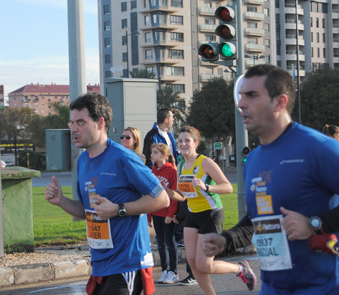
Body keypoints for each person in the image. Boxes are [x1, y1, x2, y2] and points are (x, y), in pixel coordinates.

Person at [202, 64, 339, 294]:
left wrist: (316, 223)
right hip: (273, 288)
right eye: (241, 96)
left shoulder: (318, 148)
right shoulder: (253, 159)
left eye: (252, 96)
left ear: (280, 102)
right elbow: (260, 220)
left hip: (322, 287)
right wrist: (227, 239)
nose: (241, 103)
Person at [45, 93, 170, 295]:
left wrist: (118, 209)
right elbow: (87, 211)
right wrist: (61, 201)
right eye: (72, 122)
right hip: (101, 263)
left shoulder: (123, 158)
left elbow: (162, 198)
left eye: (80, 122)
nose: (73, 128)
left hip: (128, 262)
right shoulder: (83, 161)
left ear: (100, 122)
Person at [165, 126, 256, 294]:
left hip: (211, 214)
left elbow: (228, 187)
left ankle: (239, 269)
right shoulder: (181, 165)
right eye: (180, 141)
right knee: (192, 263)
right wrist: (167, 192)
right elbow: (183, 196)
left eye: (187, 140)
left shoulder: (205, 162)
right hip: (192, 215)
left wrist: (206, 186)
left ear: (196, 143)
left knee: (204, 265)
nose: (183, 144)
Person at [147, 143, 179, 284]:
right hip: (156, 213)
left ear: (164, 155)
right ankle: (165, 270)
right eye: (151, 152)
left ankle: (173, 271)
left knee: (170, 242)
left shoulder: (172, 171)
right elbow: (149, 195)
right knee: (160, 243)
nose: (151, 155)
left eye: (155, 152)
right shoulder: (151, 171)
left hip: (167, 214)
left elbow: (175, 195)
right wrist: (149, 215)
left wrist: (170, 214)